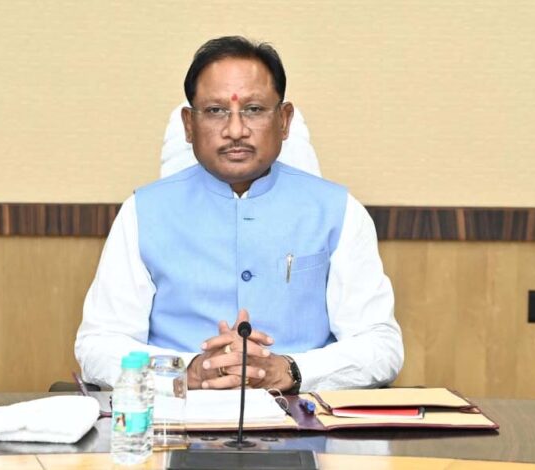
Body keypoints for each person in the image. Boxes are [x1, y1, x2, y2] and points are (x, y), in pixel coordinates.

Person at [75, 36, 403, 393]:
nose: (235, 131)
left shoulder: (338, 211)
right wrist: (189, 372)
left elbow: (381, 345)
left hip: (299, 415)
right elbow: (98, 346)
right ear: (189, 124)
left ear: (284, 121)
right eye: (216, 111)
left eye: (254, 109)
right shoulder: (141, 212)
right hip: (179, 415)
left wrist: (289, 370)